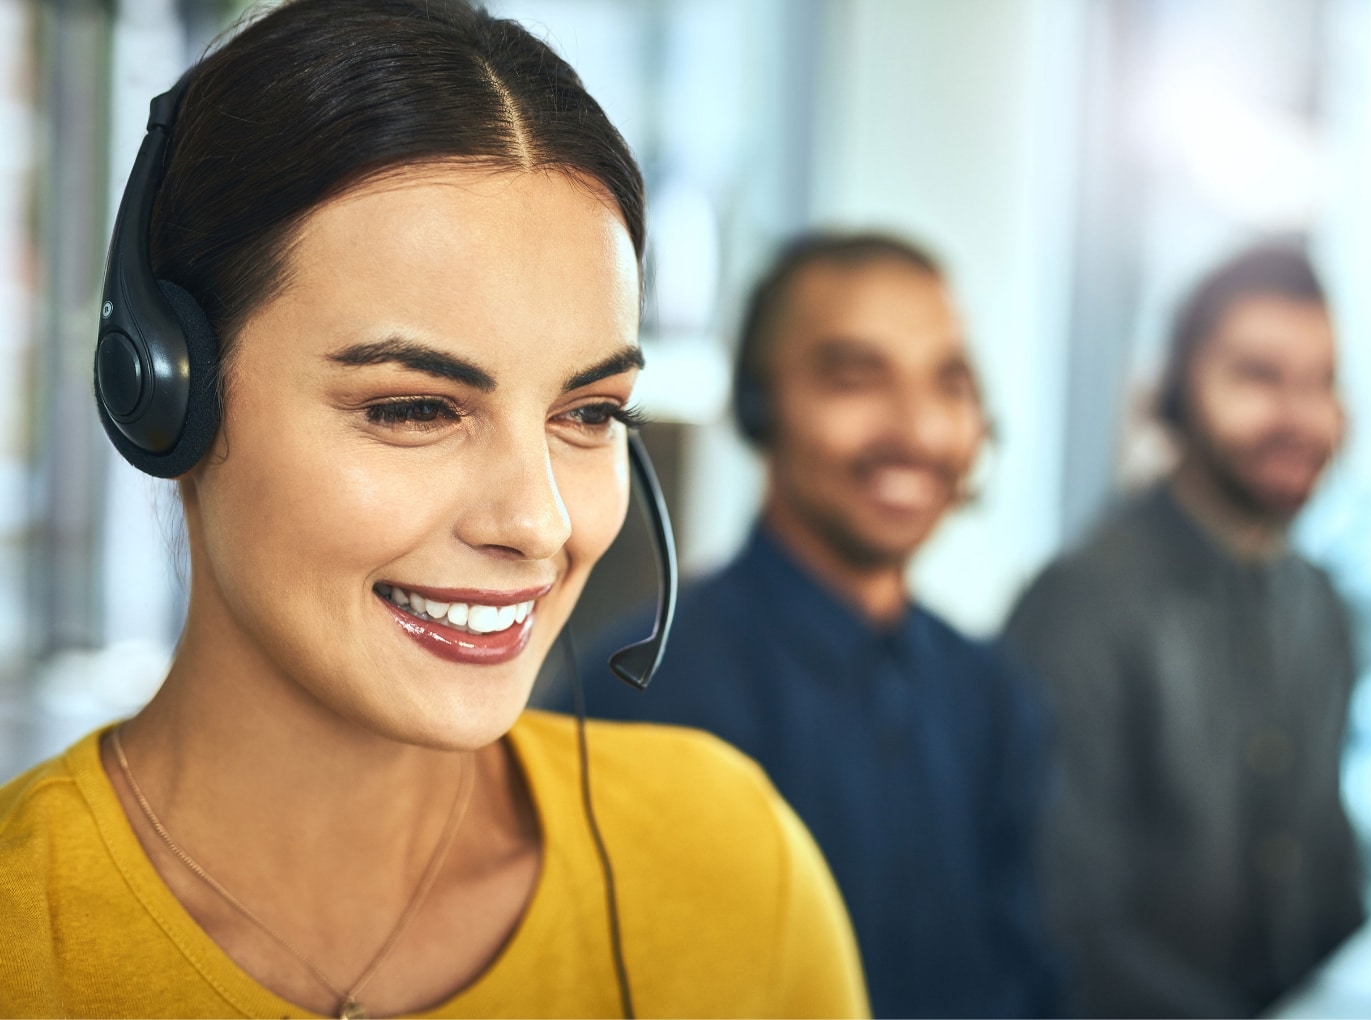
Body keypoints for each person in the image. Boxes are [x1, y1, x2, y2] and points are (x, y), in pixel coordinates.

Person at [0, 2, 868, 1017]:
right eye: (414, 408)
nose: (538, 524)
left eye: (588, 412)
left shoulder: (733, 870)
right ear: (165, 393)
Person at [564, 233, 1059, 1019]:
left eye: (949, 383)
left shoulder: (993, 694)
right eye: (857, 380)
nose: (919, 429)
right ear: (761, 407)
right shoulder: (638, 696)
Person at [1002, 243, 1364, 1018]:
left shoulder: (1322, 608)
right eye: (1258, 376)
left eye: (1321, 381)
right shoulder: (1081, 607)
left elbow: (1333, 877)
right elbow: (1068, 930)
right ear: (1172, 392)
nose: (1298, 415)